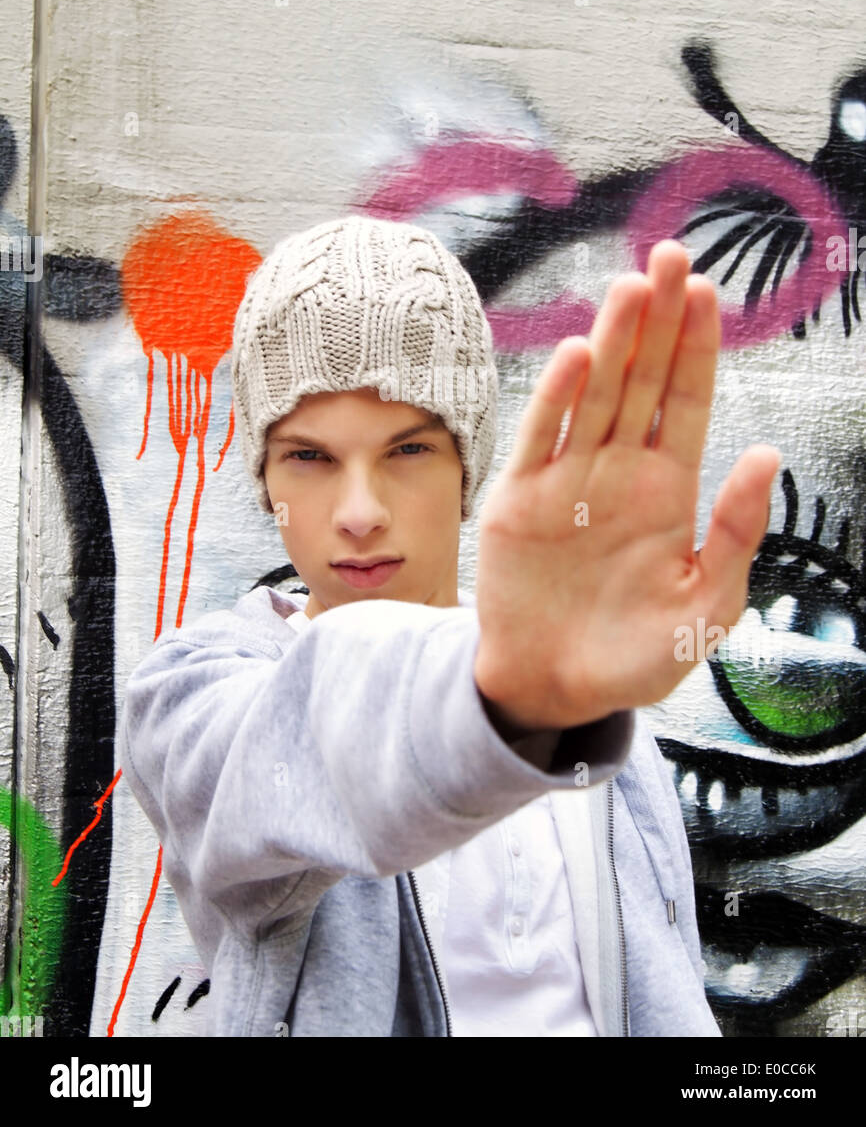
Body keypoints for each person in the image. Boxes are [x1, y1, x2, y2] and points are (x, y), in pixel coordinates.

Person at [118, 213, 780, 1036]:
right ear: (265, 478)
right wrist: (504, 692)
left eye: (408, 451)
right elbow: (302, 742)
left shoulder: (592, 715)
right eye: (310, 457)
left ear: (468, 462)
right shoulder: (187, 696)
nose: (359, 513)